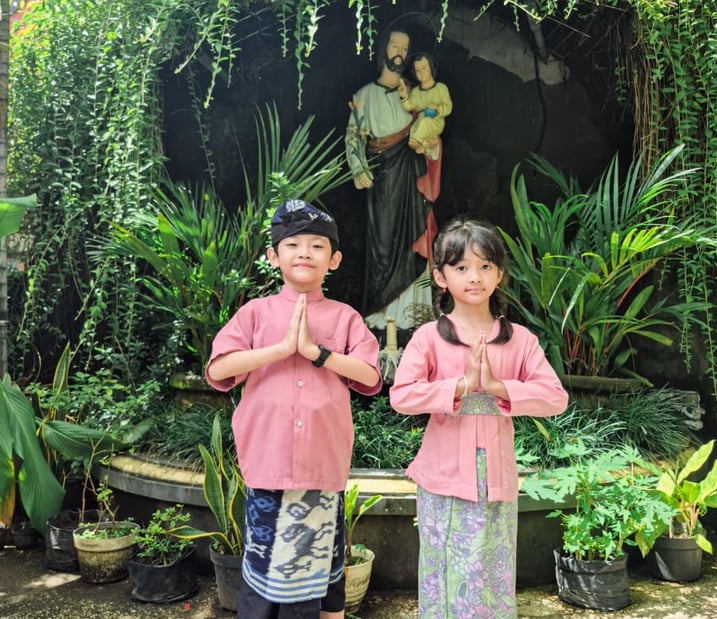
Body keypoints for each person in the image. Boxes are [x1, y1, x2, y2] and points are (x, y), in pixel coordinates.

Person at [205, 199, 382, 619]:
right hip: (267, 467)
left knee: (323, 578)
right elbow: (219, 368)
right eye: (293, 244)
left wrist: (317, 353)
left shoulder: (345, 318)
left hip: (322, 469)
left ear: (334, 259)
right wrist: (281, 349)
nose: (305, 252)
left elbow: (370, 377)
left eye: (317, 245)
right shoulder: (255, 313)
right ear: (273, 256)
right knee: (264, 576)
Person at [389, 218, 569, 618]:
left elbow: (555, 397)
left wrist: (499, 386)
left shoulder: (520, 339)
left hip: (496, 479)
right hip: (442, 478)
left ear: (500, 274)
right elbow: (401, 396)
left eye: (486, 266)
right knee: (445, 568)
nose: (475, 277)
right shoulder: (428, 338)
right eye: (461, 267)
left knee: (490, 570)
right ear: (440, 276)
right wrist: (461, 386)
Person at [346, 28, 436, 330]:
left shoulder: (413, 95)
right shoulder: (364, 96)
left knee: (414, 237)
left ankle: (413, 316)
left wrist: (429, 144)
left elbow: (430, 129)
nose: (399, 50)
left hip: (410, 175)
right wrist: (359, 168)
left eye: (405, 46)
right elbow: (353, 139)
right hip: (382, 179)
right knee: (382, 244)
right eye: (394, 44)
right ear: (383, 48)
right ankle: (379, 316)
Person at [398, 52, 452, 160]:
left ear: (431, 67)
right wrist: (404, 96)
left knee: (425, 123)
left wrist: (438, 109)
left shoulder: (441, 88)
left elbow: (448, 106)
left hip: (436, 120)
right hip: (422, 119)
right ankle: (423, 147)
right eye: (418, 70)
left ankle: (419, 143)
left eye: (424, 68)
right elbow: (409, 106)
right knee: (415, 126)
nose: (421, 73)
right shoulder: (416, 91)